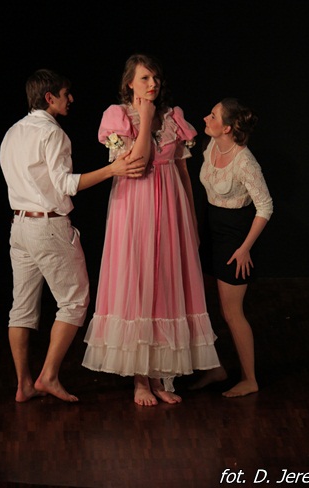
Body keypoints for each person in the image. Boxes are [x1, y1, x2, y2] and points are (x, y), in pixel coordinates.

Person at [82, 53, 224, 406]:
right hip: (134, 209)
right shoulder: (116, 117)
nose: (152, 84)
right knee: (139, 282)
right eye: (145, 78)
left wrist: (191, 218)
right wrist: (145, 118)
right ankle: (140, 379)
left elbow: (182, 172)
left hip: (171, 210)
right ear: (129, 82)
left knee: (165, 285)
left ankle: (161, 376)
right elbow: (138, 161)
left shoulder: (174, 117)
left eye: (156, 78)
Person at [0, 69, 145, 404]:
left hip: (19, 227)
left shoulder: (12, 132)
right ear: (49, 98)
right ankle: (48, 376)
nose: (71, 99)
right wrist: (113, 169)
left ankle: (24, 384)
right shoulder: (53, 134)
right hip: (46, 226)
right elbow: (66, 184)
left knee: (21, 309)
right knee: (75, 301)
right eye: (66, 94)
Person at [192, 97, 273, 397]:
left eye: (213, 116)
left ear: (227, 127)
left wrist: (244, 248)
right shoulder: (211, 146)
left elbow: (265, 206)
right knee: (201, 305)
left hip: (234, 235)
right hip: (210, 227)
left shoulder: (244, 161)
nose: (206, 118)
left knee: (231, 312)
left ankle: (249, 379)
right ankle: (215, 368)